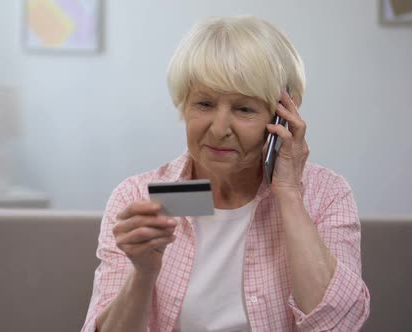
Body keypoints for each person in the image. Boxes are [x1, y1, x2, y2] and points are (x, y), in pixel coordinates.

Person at [82, 16, 370, 331]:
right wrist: (143, 273)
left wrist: (288, 191)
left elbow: (337, 325)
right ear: (183, 105)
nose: (219, 130)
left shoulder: (326, 193)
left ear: (283, 115)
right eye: (204, 104)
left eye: (244, 109)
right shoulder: (138, 195)